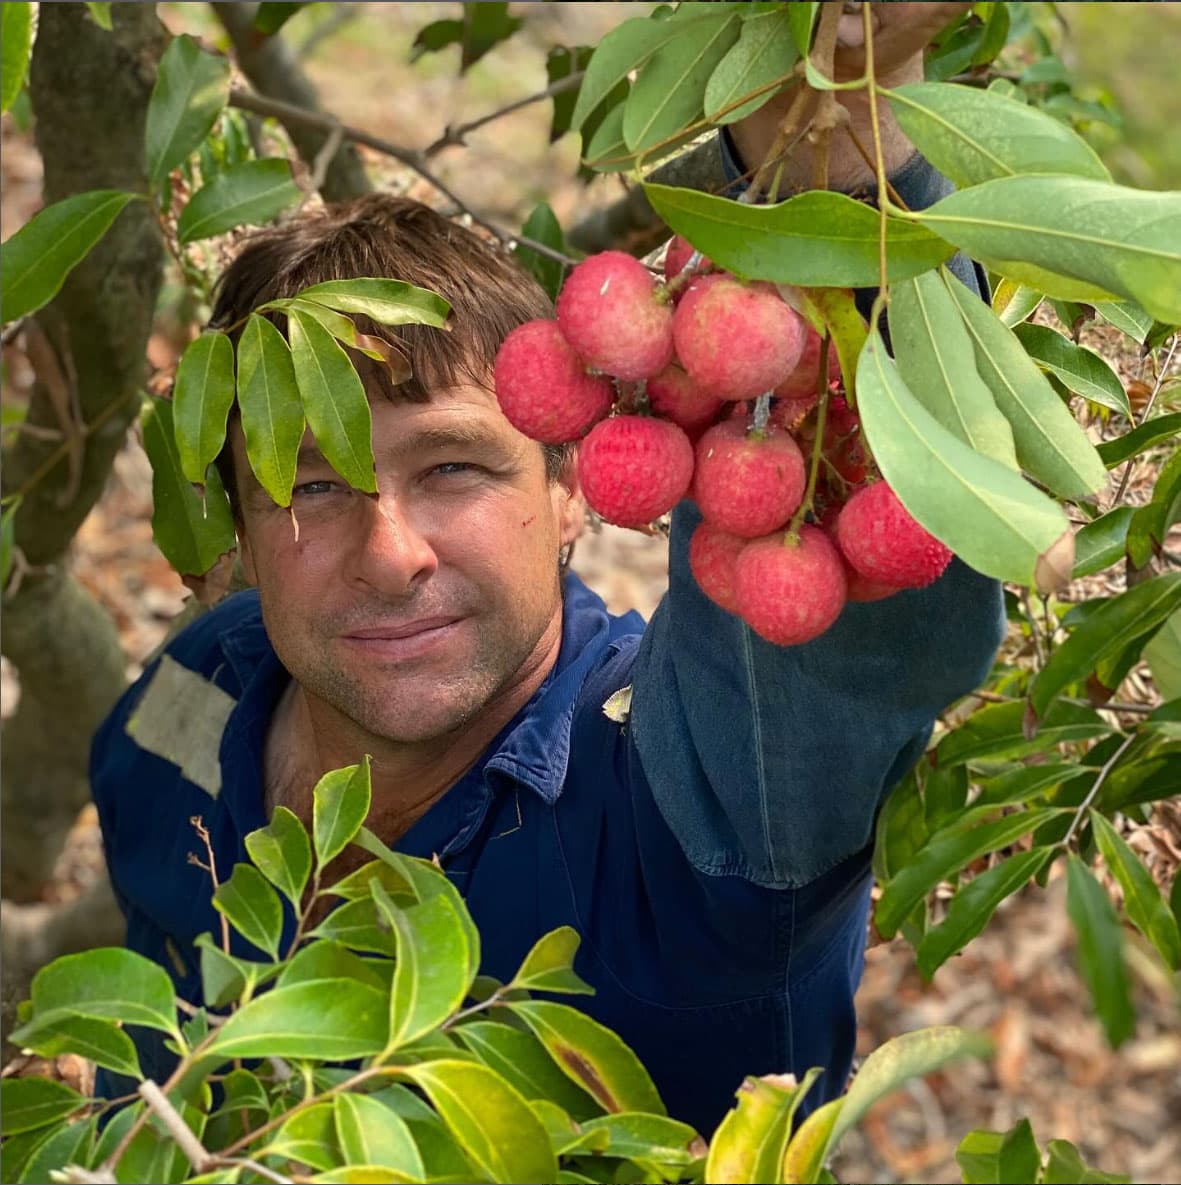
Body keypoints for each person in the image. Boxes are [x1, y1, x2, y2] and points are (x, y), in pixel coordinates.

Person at [90, 2, 1002, 1135]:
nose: (390, 555)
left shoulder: (688, 806)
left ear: (568, 488)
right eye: (311, 486)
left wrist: (830, 138)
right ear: (233, 520)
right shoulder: (195, 686)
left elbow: (836, 636)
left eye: (456, 468)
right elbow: (143, 895)